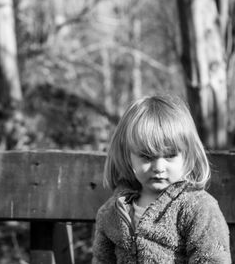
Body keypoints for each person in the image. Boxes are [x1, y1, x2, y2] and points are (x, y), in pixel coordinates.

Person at [92, 95, 231, 263]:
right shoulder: (111, 212)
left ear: (188, 155)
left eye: (170, 155)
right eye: (146, 156)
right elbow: (101, 259)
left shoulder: (197, 208)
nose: (158, 167)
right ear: (128, 156)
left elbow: (211, 258)